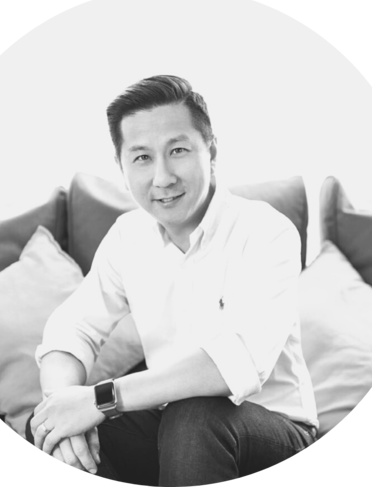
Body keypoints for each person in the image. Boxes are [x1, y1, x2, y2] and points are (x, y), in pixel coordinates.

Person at [26, 75, 318, 485]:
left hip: (275, 432)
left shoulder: (268, 232)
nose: (162, 178)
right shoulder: (128, 237)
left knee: (194, 416)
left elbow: (237, 363)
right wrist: (62, 404)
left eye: (177, 150)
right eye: (142, 157)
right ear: (121, 166)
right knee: (46, 426)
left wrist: (99, 399)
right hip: (173, 431)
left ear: (211, 150)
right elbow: (71, 330)